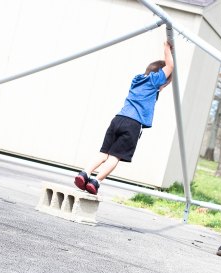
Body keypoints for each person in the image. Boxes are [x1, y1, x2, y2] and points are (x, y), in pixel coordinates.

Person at [74, 41, 174, 194]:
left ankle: (85, 173)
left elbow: (160, 71)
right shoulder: (154, 81)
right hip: (132, 125)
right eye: (165, 84)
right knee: (114, 157)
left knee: (103, 154)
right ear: (160, 78)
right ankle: (96, 181)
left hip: (118, 119)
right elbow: (170, 66)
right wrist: (167, 49)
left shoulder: (137, 80)